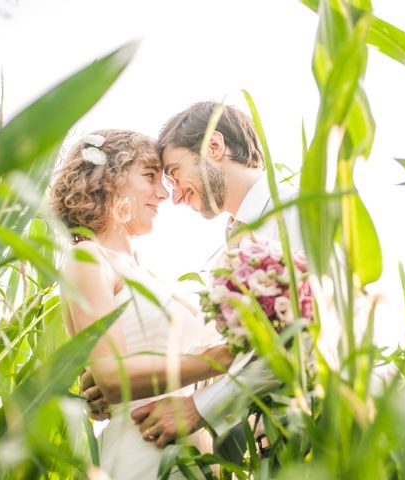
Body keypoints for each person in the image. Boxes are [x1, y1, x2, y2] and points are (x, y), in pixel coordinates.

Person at [50, 129, 236, 479]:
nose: (164, 193)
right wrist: (219, 360)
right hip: (144, 455)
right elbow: (112, 377)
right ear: (107, 181)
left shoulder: (150, 276)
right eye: (150, 177)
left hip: (193, 456)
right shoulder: (89, 259)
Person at [129, 101, 304, 456]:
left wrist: (199, 407)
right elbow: (234, 349)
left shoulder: (296, 210)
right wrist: (121, 379)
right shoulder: (230, 251)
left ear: (214, 146)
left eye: (176, 173)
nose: (175, 196)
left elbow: (302, 337)